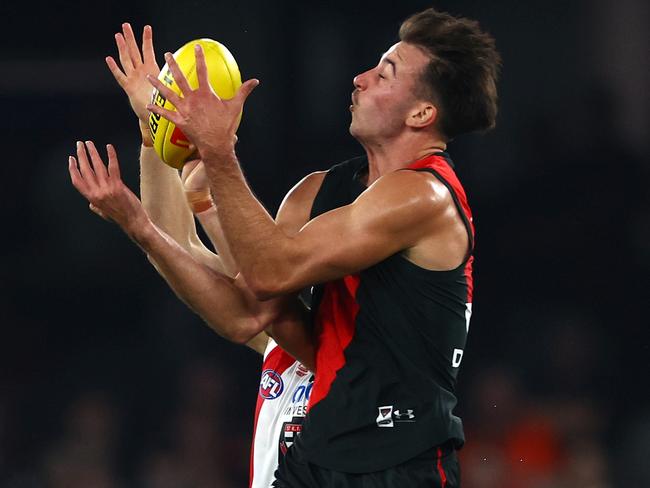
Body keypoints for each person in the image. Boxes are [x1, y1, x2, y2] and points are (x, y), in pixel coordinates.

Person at [69, 7, 500, 487]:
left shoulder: (424, 195)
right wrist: (155, 130)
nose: (359, 78)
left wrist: (218, 151)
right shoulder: (316, 194)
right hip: (318, 459)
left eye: (384, 73)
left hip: (395, 464)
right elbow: (247, 308)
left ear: (422, 113)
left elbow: (270, 272)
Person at [103, 23, 313, 487]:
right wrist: (153, 129)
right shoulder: (286, 340)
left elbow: (253, 292)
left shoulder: (337, 349)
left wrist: (208, 190)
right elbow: (176, 247)